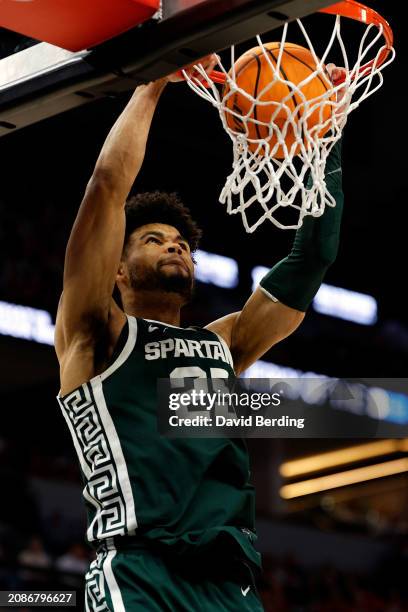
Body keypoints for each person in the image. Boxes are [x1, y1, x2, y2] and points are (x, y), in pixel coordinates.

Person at [55, 55, 345, 610]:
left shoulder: (224, 345)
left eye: (182, 244)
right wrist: (154, 80)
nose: (174, 246)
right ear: (116, 270)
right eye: (153, 239)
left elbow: (313, 257)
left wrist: (325, 135)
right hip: (140, 569)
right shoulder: (94, 333)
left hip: (230, 581)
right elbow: (107, 186)